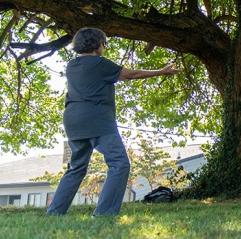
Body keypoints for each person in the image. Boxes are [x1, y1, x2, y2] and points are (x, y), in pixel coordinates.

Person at [48, 28, 179, 217]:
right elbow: (131, 75)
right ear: (96, 44)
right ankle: (103, 214)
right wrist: (162, 71)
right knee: (119, 163)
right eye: (104, 42)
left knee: (76, 168)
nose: (104, 46)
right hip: (96, 119)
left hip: (73, 119)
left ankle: (54, 213)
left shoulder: (72, 65)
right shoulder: (99, 64)